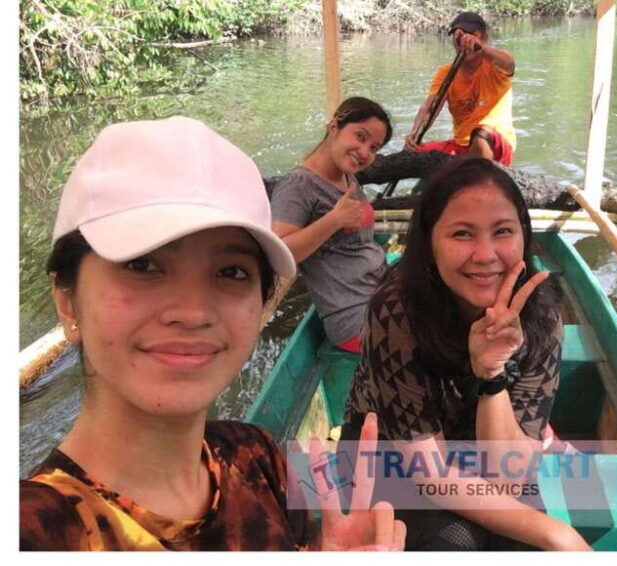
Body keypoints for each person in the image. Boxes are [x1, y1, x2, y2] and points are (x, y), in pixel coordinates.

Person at [19, 116, 405, 551]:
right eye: (142, 264)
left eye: (231, 271)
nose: (193, 312)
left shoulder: (255, 456)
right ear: (67, 299)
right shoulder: (37, 531)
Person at [342, 157, 591, 551]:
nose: (485, 255)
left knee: (523, 546)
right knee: (456, 544)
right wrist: (559, 533)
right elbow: (430, 472)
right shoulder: (397, 310)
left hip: (481, 444)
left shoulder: (541, 315)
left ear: (523, 235)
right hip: (391, 452)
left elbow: (508, 474)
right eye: (462, 234)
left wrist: (491, 374)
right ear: (429, 242)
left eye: (503, 231)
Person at [271, 97, 392, 353]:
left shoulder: (346, 176)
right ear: (334, 126)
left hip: (380, 291)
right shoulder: (298, 186)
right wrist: (334, 220)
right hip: (355, 317)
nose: (364, 152)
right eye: (360, 137)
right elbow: (280, 254)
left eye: (374, 148)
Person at [405, 12, 517, 166]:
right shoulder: (446, 72)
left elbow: (509, 64)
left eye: (470, 34)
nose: (464, 41)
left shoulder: (495, 62)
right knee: (413, 153)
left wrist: (481, 48)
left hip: (495, 143)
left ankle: (467, 173)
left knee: (480, 135)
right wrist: (414, 134)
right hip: (461, 146)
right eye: (458, 36)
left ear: (484, 37)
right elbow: (429, 107)